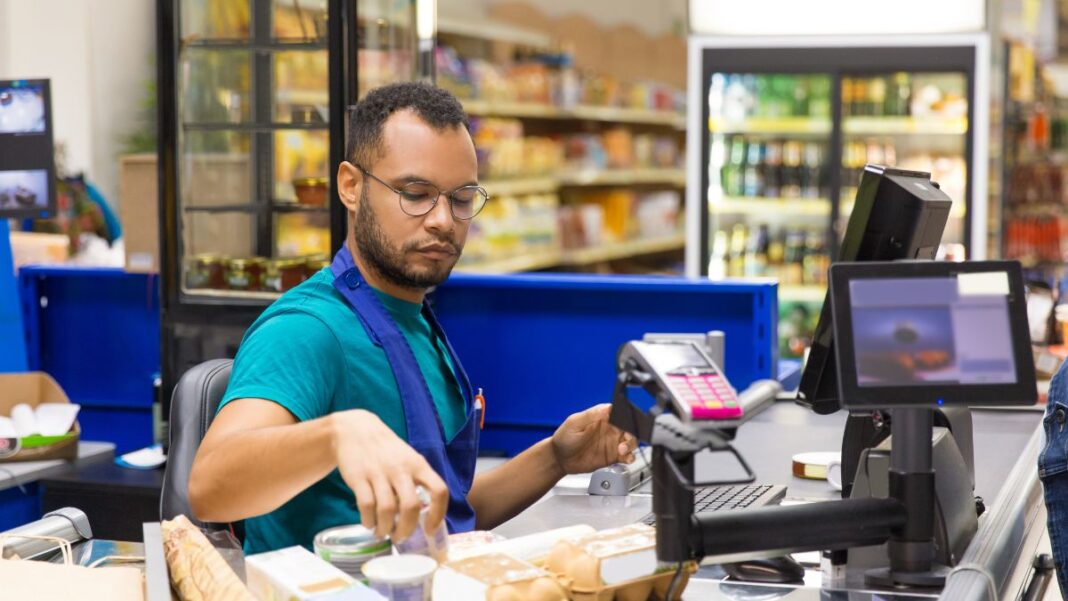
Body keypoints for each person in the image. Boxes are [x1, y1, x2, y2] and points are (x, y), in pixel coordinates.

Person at [187, 82, 637, 553]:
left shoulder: (415, 321)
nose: (443, 219)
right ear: (351, 187)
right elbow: (210, 486)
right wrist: (337, 435)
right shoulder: (309, 331)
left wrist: (556, 457)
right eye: (416, 193)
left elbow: (446, 514)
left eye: (460, 198)